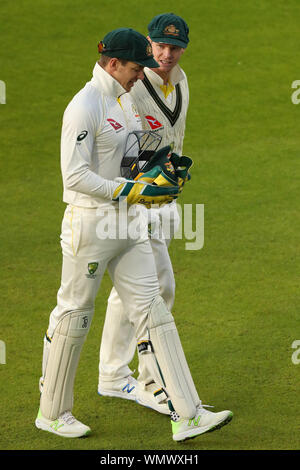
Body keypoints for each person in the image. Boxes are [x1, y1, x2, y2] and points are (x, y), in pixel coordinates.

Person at [35, 27, 179, 438]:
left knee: (152, 303)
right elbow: (75, 175)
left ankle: (183, 410)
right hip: (89, 222)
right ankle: (52, 411)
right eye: (136, 67)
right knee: (75, 313)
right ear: (113, 64)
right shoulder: (83, 106)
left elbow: (126, 158)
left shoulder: (124, 99)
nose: (141, 75)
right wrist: (127, 188)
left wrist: (156, 172)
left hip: (126, 220)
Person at [98, 13, 190, 414]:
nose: (166, 54)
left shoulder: (182, 83)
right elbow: (116, 145)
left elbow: (173, 137)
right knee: (157, 289)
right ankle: (155, 381)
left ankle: (113, 374)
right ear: (148, 45)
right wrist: (139, 185)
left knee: (128, 292)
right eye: (159, 46)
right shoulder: (132, 86)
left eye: (174, 47)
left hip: (165, 203)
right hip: (134, 202)